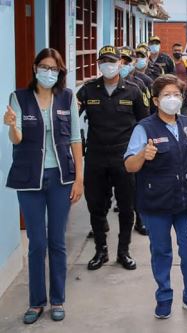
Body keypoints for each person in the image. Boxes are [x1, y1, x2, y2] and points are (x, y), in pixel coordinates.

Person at [3, 48, 83, 324]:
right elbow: (17, 139)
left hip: (61, 178)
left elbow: (75, 139)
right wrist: (12, 126)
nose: (49, 72)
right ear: (36, 67)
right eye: (45, 66)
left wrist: (79, 179)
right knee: (37, 243)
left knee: (57, 241)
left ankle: (57, 299)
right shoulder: (19, 98)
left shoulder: (67, 97)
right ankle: (36, 303)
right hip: (30, 179)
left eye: (54, 68)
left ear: (60, 72)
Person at [124, 74, 187, 319]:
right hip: (157, 203)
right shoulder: (144, 128)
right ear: (155, 100)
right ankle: (164, 297)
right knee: (161, 252)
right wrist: (144, 154)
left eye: (177, 95)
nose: (173, 99)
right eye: (167, 95)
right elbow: (130, 166)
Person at [77, 45, 149, 271]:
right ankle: (101, 250)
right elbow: (69, 120)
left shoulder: (133, 90)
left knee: (127, 207)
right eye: (104, 61)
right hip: (96, 156)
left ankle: (123, 251)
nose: (108, 65)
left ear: (120, 63)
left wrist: (142, 155)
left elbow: (144, 124)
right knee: (96, 206)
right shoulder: (88, 91)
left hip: (123, 157)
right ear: (99, 65)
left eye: (113, 61)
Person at [118, 46, 151, 235]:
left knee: (135, 184)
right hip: (109, 146)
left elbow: (145, 115)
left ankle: (140, 220)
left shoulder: (141, 83)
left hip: (133, 143)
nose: (123, 65)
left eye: (126, 61)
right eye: (120, 61)